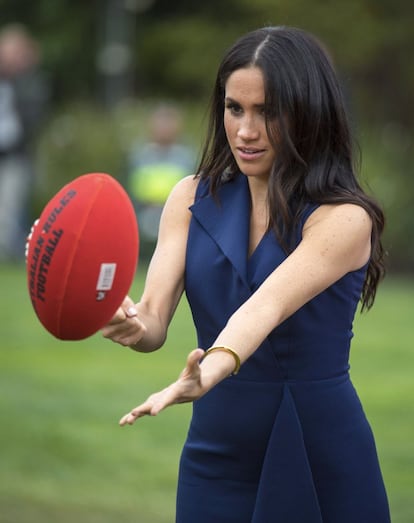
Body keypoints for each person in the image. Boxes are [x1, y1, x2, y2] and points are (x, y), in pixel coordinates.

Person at [102, 26, 391, 522]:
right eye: (234, 108)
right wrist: (118, 315)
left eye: (267, 111)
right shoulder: (189, 198)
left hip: (312, 445)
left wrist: (209, 370)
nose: (246, 130)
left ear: (309, 114)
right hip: (215, 450)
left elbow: (266, 305)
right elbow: (151, 323)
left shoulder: (343, 218)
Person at [0, 24, 49, 262]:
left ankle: (7, 253)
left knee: (9, 208)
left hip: (14, 154)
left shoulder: (29, 82)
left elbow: (32, 119)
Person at [126, 103, 195, 259]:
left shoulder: (185, 156)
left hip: (179, 213)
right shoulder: (141, 155)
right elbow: (135, 190)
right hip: (146, 213)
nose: (164, 129)